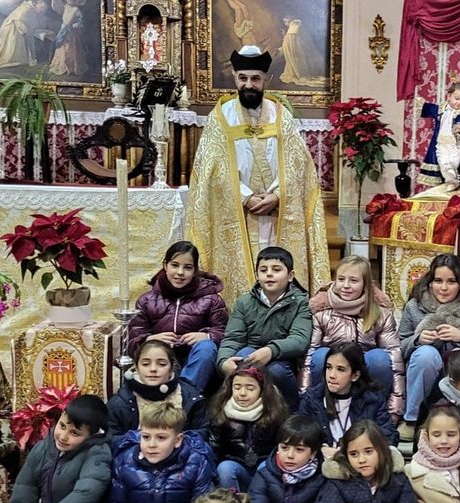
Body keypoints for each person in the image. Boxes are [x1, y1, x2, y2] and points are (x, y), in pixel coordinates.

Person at [186, 45, 330, 305]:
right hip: (237, 212)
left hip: (277, 213)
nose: (248, 85)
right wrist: (245, 196)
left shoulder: (280, 115)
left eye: (255, 78)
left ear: (266, 80)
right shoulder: (221, 116)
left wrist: (277, 195)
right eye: (243, 78)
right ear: (235, 78)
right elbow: (212, 170)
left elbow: (298, 165)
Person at [302, 254, 405, 419]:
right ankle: (325, 409)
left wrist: (396, 407)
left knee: (380, 358)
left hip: (364, 373)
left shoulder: (381, 314)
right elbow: (309, 358)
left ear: (365, 284)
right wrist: (304, 398)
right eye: (341, 279)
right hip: (334, 373)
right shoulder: (321, 313)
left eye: (354, 281)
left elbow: (395, 360)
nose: (346, 286)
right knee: (320, 356)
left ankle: (374, 411)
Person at [396, 253, 460, 441]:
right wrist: (418, 340)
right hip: (422, 376)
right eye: (438, 281)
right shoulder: (415, 306)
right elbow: (398, 347)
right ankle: (412, 420)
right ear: (430, 282)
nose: (443, 288)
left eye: (451, 282)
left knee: (459, 355)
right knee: (426, 354)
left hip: (458, 377)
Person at [217, 246, 312, 409]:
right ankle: (244, 413)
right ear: (257, 275)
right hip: (251, 352)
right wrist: (223, 361)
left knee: (276, 371)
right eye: (263, 270)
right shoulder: (244, 302)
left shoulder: (300, 302)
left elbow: (299, 339)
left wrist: (271, 350)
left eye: (276, 269)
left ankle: (293, 410)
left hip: (282, 357)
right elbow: (233, 338)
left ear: (290, 276)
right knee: (244, 357)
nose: (269, 274)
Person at [127, 241, 229, 393]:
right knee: (152, 351)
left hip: (196, 362)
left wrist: (207, 336)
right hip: (161, 360)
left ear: (195, 270)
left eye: (187, 267)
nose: (180, 272)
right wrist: (150, 339)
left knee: (206, 347)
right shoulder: (146, 300)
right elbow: (133, 338)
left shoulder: (212, 299)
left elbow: (227, 334)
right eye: (175, 265)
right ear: (165, 265)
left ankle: (184, 398)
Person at [105, 340, 210, 449]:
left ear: (171, 367)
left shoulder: (191, 397)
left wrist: (171, 445)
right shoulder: (120, 402)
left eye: (161, 364)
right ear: (136, 367)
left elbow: (203, 436)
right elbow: (111, 441)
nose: (153, 369)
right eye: (145, 364)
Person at [296, 343, 397, 455]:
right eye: (328, 367)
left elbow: (389, 435)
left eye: (340, 369)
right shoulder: (312, 399)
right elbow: (299, 435)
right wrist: (320, 449)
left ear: (355, 376)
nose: (331, 375)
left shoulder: (372, 399)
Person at [207, 365, 288, 491]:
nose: (242, 393)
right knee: (225, 468)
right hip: (236, 467)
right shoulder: (220, 412)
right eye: (237, 387)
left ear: (262, 390)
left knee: (265, 466)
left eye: (250, 388)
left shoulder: (275, 413)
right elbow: (215, 449)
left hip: (263, 468)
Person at [415, 81, 460, 192]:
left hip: (457, 145)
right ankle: (451, 181)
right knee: (443, 163)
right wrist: (422, 104)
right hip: (441, 144)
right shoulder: (441, 108)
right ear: (449, 96)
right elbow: (430, 109)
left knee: (453, 161)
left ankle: (455, 180)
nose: (459, 103)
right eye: (456, 99)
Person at [0, 0, 48, 69]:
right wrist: (25, 30)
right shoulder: (27, 9)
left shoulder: (30, 8)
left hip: (17, 27)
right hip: (12, 28)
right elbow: (19, 18)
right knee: (9, 50)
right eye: (42, 8)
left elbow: (29, 21)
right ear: (36, 4)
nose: (42, 10)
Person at [48, 0, 89, 77]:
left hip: (72, 33)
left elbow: (80, 23)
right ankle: (62, 66)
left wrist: (74, 26)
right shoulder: (66, 7)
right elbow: (57, 7)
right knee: (61, 48)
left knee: (71, 49)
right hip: (64, 30)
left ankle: (72, 68)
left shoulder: (76, 10)